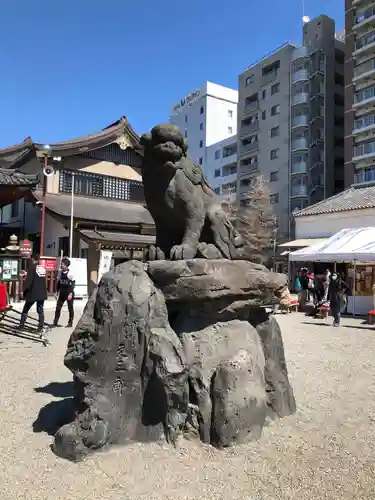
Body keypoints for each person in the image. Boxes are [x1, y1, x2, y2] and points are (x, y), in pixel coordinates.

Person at [18, 254, 47, 331]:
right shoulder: (42, 268)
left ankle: (21, 325)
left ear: (32, 259)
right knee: (40, 310)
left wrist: (22, 290)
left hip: (33, 292)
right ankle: (40, 326)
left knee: (25, 309)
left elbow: (28, 281)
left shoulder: (32, 267)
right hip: (42, 292)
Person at [53, 257, 75, 328]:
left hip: (69, 293)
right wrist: (57, 292)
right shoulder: (60, 272)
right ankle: (55, 322)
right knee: (58, 308)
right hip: (62, 293)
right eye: (61, 264)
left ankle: (70, 322)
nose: (61, 266)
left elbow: (73, 284)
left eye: (62, 264)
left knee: (70, 308)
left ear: (66, 265)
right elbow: (58, 283)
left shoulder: (70, 273)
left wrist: (71, 293)